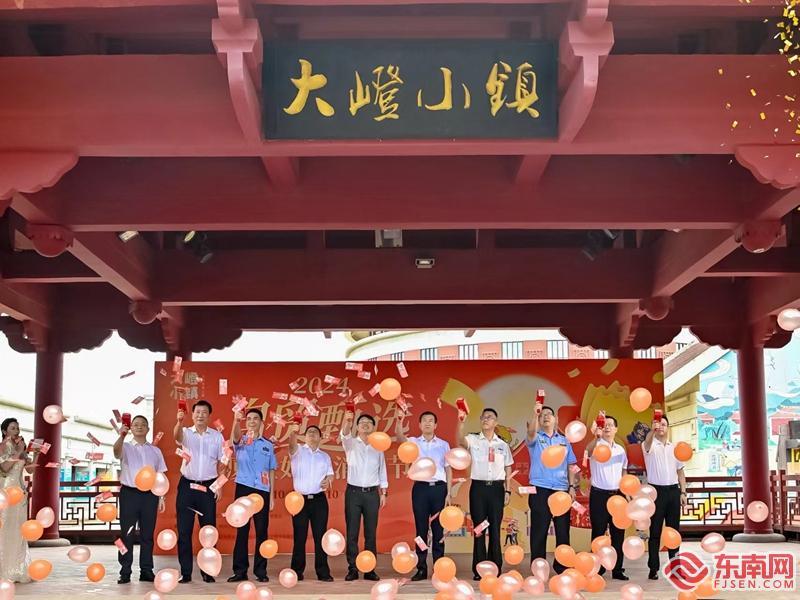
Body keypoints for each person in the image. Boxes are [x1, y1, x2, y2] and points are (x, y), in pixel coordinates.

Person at [457, 408, 514, 581]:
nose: (486, 419)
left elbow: (508, 468)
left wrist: (508, 490)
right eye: (484, 417)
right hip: (479, 489)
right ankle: (479, 569)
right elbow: (460, 441)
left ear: (496, 422)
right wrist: (461, 422)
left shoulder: (502, 444)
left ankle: (495, 567)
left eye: (490, 417)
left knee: (495, 530)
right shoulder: (473, 439)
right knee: (479, 530)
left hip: (497, 489)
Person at [395, 410, 453, 581]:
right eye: (424, 420)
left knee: (438, 529)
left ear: (435, 425)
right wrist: (399, 420)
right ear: (420, 425)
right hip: (420, 489)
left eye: (431, 421)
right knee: (420, 529)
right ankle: (421, 568)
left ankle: (439, 567)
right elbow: (399, 437)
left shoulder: (443, 445)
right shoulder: (413, 442)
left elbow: (448, 469)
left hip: (439, 489)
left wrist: (449, 492)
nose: (428, 423)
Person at [174, 400, 226, 583]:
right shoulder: (186, 432)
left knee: (209, 531)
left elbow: (223, 462)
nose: (200, 415)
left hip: (208, 487)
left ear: (209, 415)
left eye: (204, 412)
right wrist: (179, 421)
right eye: (197, 412)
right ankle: (186, 572)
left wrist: (219, 485)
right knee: (184, 531)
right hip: (187, 486)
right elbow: (177, 437)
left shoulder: (217, 436)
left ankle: (208, 571)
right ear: (193, 414)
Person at [113, 415, 168, 584]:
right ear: (131, 428)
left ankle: (146, 570)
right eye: (135, 424)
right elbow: (116, 452)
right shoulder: (125, 446)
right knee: (126, 535)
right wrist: (121, 436)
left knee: (147, 535)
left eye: (143, 424)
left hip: (150, 495)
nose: (139, 427)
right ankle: (125, 571)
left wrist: (161, 496)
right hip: (129, 494)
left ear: (148, 429)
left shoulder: (155, 451)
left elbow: (160, 475)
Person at [526, 404, 579, 574]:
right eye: (542, 415)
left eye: (549, 414)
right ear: (539, 420)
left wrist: (572, 486)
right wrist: (535, 413)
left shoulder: (564, 441)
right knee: (539, 531)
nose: (546, 416)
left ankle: (562, 566)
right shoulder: (535, 438)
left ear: (556, 419)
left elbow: (571, 465)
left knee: (563, 531)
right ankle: (538, 567)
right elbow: (530, 433)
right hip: (540, 489)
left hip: (561, 490)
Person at [228, 408, 276, 583]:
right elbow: (234, 438)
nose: (252, 421)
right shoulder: (241, 441)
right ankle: (240, 571)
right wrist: (236, 420)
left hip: (262, 491)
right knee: (242, 531)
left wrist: (271, 496)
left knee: (262, 531)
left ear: (261, 422)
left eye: (255, 418)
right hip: (243, 488)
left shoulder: (268, 445)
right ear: (245, 422)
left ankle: (261, 571)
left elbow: (271, 471)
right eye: (249, 419)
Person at [340, 412, 388, 581]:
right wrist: (347, 421)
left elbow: (382, 470)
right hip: (353, 493)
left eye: (369, 422)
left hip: (372, 494)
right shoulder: (351, 444)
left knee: (370, 533)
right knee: (352, 532)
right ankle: (352, 568)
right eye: (362, 422)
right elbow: (344, 434)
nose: (365, 424)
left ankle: (369, 569)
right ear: (357, 427)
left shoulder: (378, 447)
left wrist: (383, 492)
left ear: (373, 427)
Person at [643, 414, 687, 580]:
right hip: (656, 493)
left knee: (673, 532)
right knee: (655, 532)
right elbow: (647, 443)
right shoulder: (648, 445)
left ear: (668, 427)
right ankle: (653, 568)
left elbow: (680, 472)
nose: (660, 426)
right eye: (657, 424)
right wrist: (651, 431)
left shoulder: (674, 448)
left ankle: (676, 568)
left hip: (673, 492)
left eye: (663, 424)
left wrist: (683, 492)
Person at [288, 423, 334, 582]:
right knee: (299, 537)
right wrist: (293, 432)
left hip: (319, 500)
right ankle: (297, 571)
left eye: (315, 432)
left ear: (320, 437)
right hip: (299, 500)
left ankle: (323, 572)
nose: (312, 434)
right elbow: (291, 444)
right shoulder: (298, 451)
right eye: (309, 432)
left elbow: (330, 474)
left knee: (320, 537)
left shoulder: (325, 456)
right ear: (305, 437)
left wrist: (328, 480)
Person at [585, 415, 628, 581]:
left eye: (611, 425)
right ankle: (598, 568)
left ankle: (617, 569)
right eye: (605, 425)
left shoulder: (620, 450)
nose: (608, 427)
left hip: (618, 495)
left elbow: (624, 472)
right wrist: (596, 437)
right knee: (598, 533)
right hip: (599, 495)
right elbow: (587, 452)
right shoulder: (596, 445)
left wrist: (627, 494)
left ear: (616, 429)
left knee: (618, 533)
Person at [0, 418, 38, 582]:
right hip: (6, 492)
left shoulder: (21, 448)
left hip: (20, 493)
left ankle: (17, 568)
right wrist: (19, 452)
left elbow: (30, 470)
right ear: (4, 431)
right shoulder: (2, 447)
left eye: (17, 428)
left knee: (18, 530)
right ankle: (4, 569)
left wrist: (36, 454)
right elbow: (4, 468)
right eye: (13, 428)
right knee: (4, 529)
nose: (17, 431)